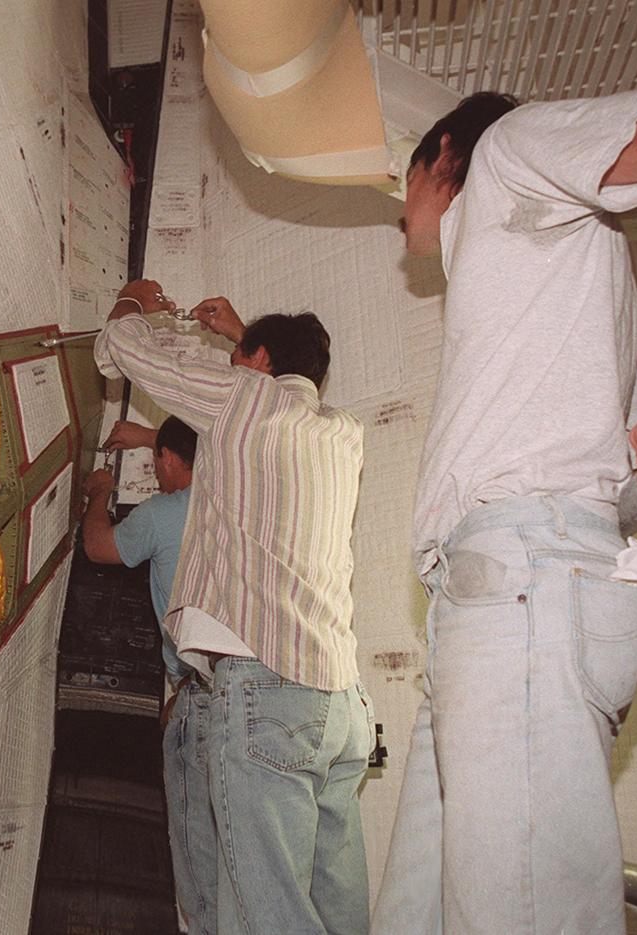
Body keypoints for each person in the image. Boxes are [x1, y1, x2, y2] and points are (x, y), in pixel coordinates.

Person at [371, 84, 637, 935]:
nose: (405, 222)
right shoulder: (575, 287)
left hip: (525, 593)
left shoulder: (506, 151)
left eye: (406, 190)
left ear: (441, 157)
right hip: (510, 598)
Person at [94, 279, 371, 935]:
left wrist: (133, 302)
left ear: (258, 361)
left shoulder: (244, 398)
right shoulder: (342, 432)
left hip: (262, 695)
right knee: (336, 913)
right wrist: (247, 339)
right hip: (338, 704)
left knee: (262, 916)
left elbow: (127, 348)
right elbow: (279, 389)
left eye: (237, 358)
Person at [80, 415, 219, 935]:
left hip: (192, 685)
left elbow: (99, 547)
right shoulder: (230, 496)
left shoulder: (160, 514)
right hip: (235, 679)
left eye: (159, 458)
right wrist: (149, 439)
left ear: (166, 461)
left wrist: (100, 493)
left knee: (192, 835)